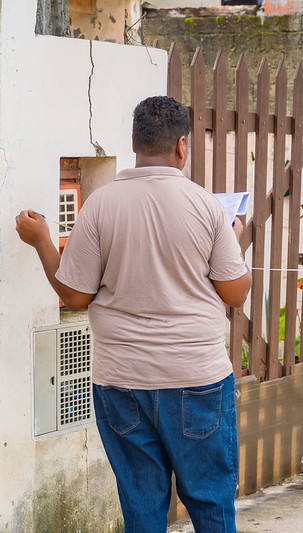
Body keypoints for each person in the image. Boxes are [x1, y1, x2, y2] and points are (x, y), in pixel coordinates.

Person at [16, 96, 252, 531]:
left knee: (142, 506)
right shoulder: (208, 208)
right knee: (211, 502)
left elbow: (75, 296)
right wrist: (234, 238)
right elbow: (235, 293)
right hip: (195, 379)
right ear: (182, 146)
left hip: (121, 382)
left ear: (133, 143)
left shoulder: (100, 207)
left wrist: (42, 241)